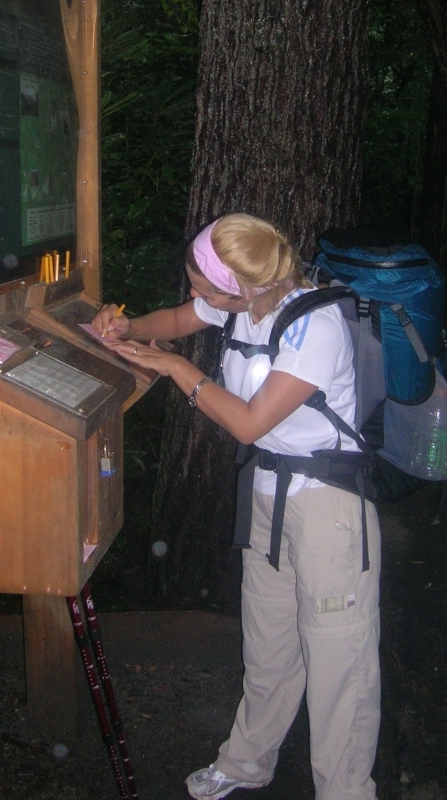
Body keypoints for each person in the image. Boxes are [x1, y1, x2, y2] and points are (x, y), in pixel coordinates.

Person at [92, 213, 381, 800]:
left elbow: (249, 424)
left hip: (330, 509)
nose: (196, 297)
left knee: (338, 663)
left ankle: (346, 791)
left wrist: (176, 366)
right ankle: (247, 763)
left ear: (245, 284)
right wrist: (125, 328)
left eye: (204, 287)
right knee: (269, 643)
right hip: (270, 497)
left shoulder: (315, 325)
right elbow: (174, 319)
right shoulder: (243, 300)